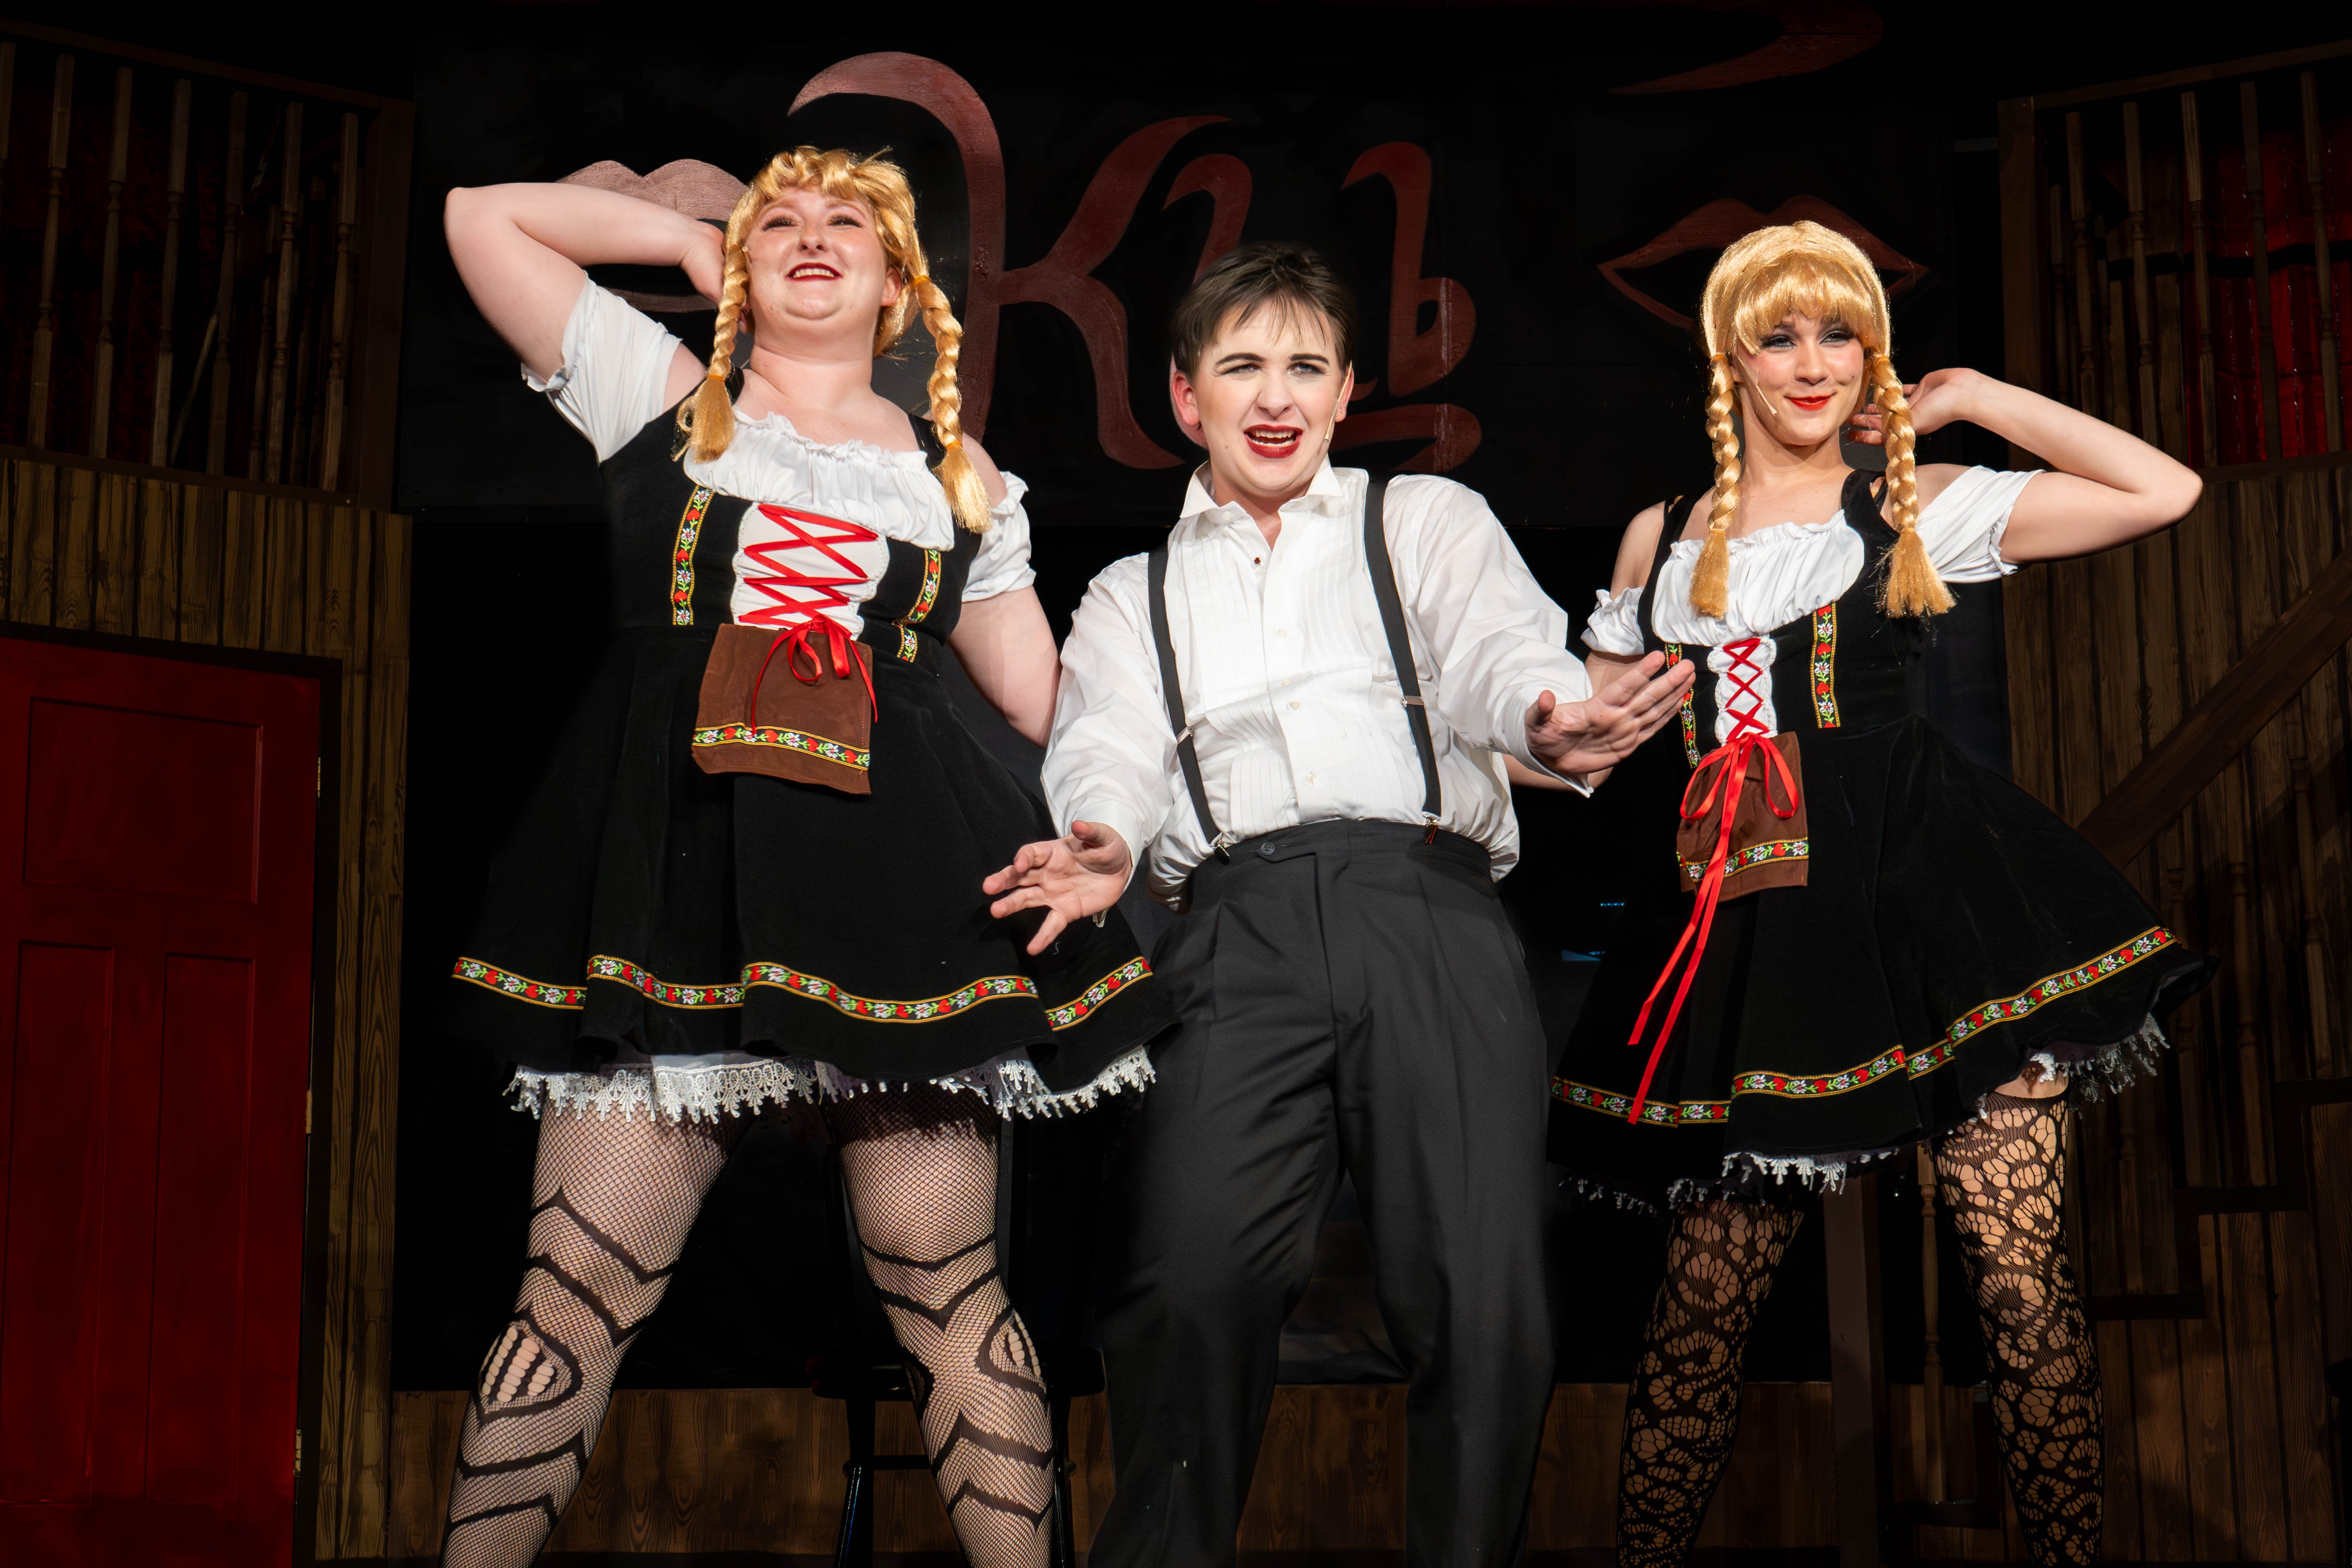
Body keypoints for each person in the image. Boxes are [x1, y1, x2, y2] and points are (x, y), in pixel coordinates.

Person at [435, 147, 1171, 1568]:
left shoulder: (963, 478)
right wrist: (694, 231)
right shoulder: (657, 393)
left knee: (950, 1293)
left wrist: (1115, 825)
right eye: (784, 224)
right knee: (574, 1292)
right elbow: (482, 214)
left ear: (903, 287)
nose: (812, 240)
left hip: (903, 897)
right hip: (682, 888)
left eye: (851, 227)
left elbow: (1042, 704)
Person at [983, 242, 1695, 1565]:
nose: (1276, 395)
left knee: (1484, 1298)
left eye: (1306, 367)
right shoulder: (1130, 594)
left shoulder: (1417, 520)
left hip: (1425, 905)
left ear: (1346, 389)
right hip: (1229, 930)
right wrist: (1099, 836)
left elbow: (1499, 651)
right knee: (1188, 1284)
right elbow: (1109, 744)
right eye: (1243, 365)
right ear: (1186, 398)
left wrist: (1549, 714)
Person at [1546, 221, 2212, 1568]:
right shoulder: (1661, 538)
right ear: (1730, 353)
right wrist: (1558, 740)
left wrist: (1971, 399)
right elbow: (1588, 735)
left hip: (1934, 901)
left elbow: (2166, 491)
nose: (1813, 364)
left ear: (1876, 351)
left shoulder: (1918, 498)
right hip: (1749, 927)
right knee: (1698, 1313)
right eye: (1781, 334)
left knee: (2020, 1289)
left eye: (1840, 333)